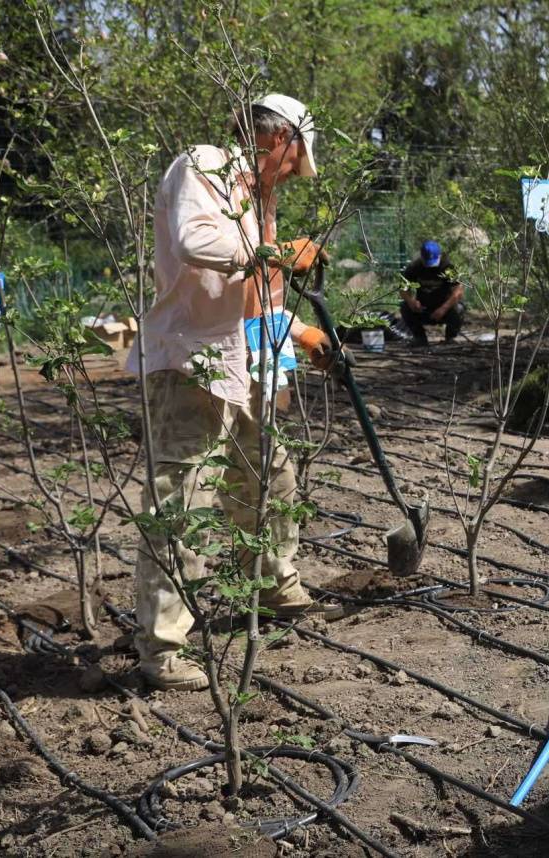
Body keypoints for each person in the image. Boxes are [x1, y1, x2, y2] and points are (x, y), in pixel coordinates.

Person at [128, 94, 346, 692]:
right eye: (294, 160)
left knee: (271, 478)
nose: (292, 175)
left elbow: (260, 299)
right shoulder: (203, 166)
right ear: (280, 138)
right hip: (192, 362)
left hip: (249, 363)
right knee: (182, 503)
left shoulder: (260, 200)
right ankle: (162, 651)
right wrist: (274, 251)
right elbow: (197, 241)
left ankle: (277, 587)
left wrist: (300, 332)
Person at [400, 240, 465, 346]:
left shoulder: (448, 267)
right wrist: (411, 301)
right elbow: (403, 289)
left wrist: (443, 309)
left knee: (459, 308)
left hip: (445, 309)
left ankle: (450, 339)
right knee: (405, 307)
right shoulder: (414, 267)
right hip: (423, 309)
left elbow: (458, 291)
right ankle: (420, 338)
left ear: (439, 255)